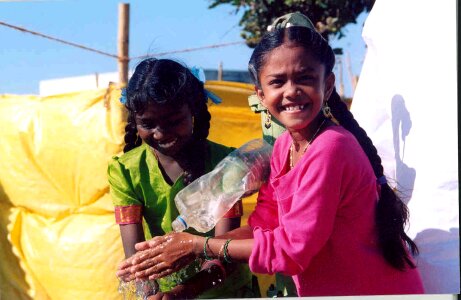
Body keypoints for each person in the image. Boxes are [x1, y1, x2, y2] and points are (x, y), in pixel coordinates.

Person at [117, 13, 425, 297]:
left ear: (328, 85)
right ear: (261, 95)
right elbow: (264, 226)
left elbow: (291, 251)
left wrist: (197, 246)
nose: (291, 91)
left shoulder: (331, 148)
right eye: (277, 82)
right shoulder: (284, 149)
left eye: (304, 78)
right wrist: (174, 250)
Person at [108, 58, 258, 299]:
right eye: (147, 123)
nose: (160, 133)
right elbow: (137, 259)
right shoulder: (125, 171)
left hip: (226, 293)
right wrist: (149, 294)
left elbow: (226, 253)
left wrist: (181, 293)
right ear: (135, 121)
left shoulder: (226, 164)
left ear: (194, 111)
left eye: (173, 121)